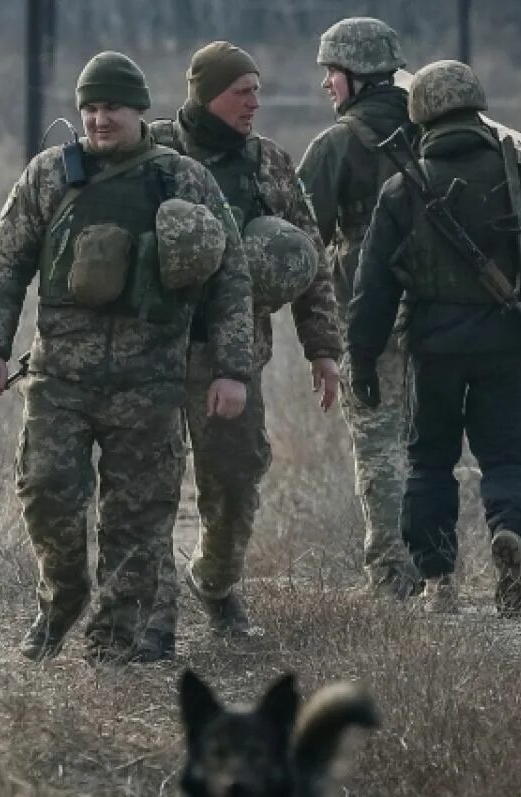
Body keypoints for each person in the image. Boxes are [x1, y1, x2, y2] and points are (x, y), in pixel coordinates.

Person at [0, 51, 254, 663]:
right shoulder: (50, 175)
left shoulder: (184, 180)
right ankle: (63, 596)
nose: (100, 120)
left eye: (113, 108)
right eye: (91, 108)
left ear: (139, 111)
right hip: (58, 380)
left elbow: (231, 278)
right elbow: (5, 262)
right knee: (46, 491)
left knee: (138, 522)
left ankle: (112, 647)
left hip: (150, 383)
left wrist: (232, 369)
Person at [347, 60, 521, 616]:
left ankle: (439, 581)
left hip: (432, 352)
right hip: (503, 343)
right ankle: (509, 533)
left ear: (421, 115)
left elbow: (373, 287)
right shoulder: (517, 172)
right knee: (508, 458)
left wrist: (361, 359)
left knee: (429, 462)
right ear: (477, 107)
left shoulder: (402, 187)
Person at [138, 41, 343, 661]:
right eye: (241, 91)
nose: (255, 101)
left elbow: (309, 261)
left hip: (233, 356)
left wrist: (323, 349)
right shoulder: (153, 153)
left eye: (257, 89)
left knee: (234, 481)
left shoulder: (270, 166)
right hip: (151, 353)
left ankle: (218, 585)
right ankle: (152, 613)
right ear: (206, 94)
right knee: (147, 485)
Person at [297, 17, 423, 599]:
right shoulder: (437, 129)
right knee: (434, 443)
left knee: (378, 446)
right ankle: (438, 572)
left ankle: (392, 575)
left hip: (367, 317)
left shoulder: (338, 144)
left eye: (332, 73)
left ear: (355, 76)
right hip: (448, 314)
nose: (326, 84)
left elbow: (301, 238)